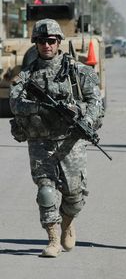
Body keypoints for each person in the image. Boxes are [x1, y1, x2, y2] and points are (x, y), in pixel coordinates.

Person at [9, 19, 103, 257]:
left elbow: (95, 102)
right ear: (36, 44)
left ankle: (68, 223)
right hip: (40, 140)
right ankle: (52, 239)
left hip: (71, 140)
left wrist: (79, 113)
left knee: (75, 194)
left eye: (51, 41)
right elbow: (15, 103)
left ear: (59, 42)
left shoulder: (78, 71)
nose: (47, 45)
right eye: (41, 41)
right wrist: (41, 108)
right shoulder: (27, 76)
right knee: (46, 190)